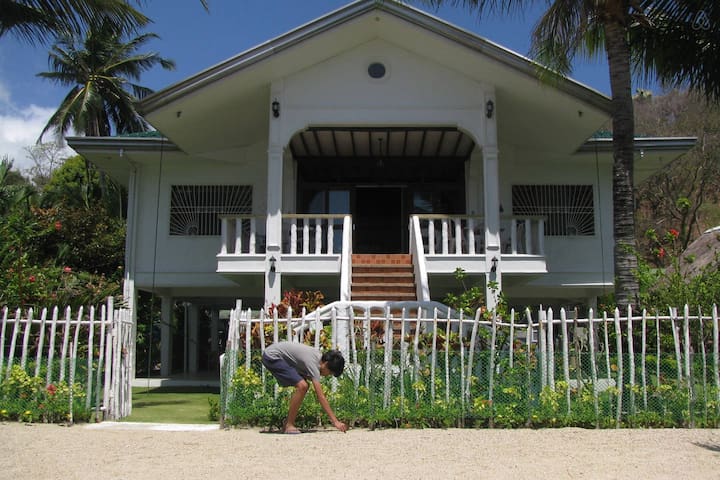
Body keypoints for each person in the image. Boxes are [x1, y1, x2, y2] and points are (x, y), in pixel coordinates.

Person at [261, 341, 348, 434]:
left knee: (304, 385)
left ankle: (287, 423)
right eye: (330, 373)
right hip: (272, 357)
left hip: (275, 355)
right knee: (302, 386)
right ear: (325, 364)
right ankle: (289, 425)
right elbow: (321, 397)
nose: (327, 375)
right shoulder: (313, 364)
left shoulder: (317, 357)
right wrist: (335, 422)